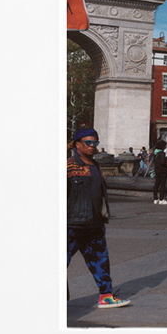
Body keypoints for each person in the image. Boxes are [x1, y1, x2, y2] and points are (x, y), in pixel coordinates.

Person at [66, 127, 130, 309]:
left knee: (101, 261)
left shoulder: (96, 165)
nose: (92, 146)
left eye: (95, 142)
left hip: (94, 225)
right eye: (88, 142)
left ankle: (106, 296)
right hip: (72, 225)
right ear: (78, 145)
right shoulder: (68, 166)